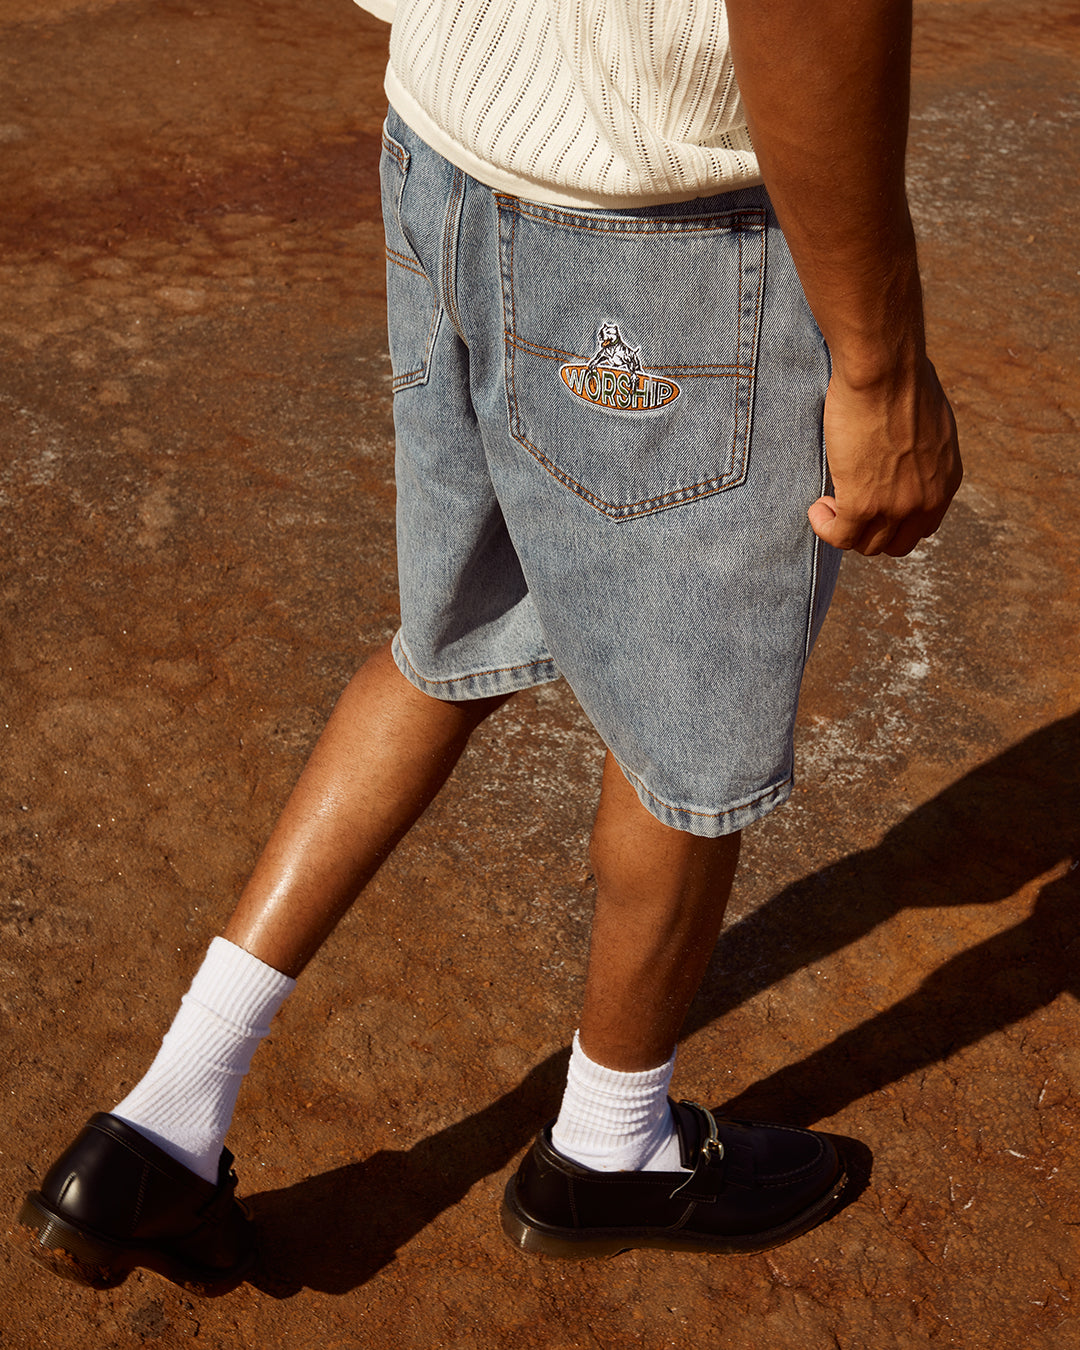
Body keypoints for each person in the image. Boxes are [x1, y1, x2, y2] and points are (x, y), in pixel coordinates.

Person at [17, 0, 961, 1291]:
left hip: (450, 138)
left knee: (441, 647)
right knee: (680, 732)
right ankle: (610, 1144)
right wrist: (881, 362)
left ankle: (161, 1122)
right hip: (658, 227)